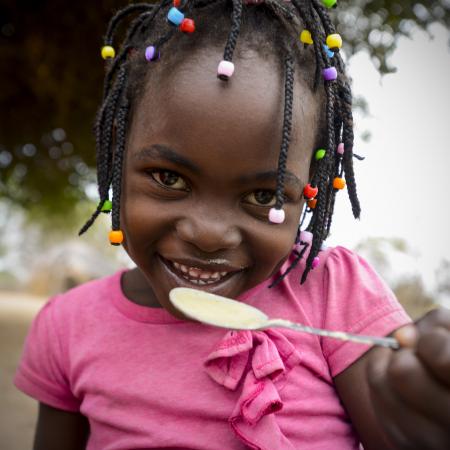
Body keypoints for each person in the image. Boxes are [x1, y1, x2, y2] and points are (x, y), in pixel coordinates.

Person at [14, 1, 450, 449]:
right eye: (170, 178)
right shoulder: (67, 327)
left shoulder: (332, 293)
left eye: (264, 196)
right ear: (115, 156)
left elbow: (404, 425)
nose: (209, 234)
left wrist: (423, 405)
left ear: (309, 190)